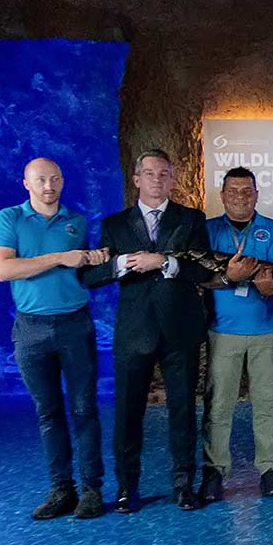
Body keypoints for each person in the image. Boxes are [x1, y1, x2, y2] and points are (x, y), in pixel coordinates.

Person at [79, 149, 212, 514]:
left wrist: (165, 262)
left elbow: (203, 271)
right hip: (133, 332)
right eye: (149, 173)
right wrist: (121, 263)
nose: (157, 180)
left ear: (173, 179)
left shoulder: (191, 219)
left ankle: (184, 484)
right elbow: (90, 276)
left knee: (183, 410)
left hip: (179, 330)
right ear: (136, 179)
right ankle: (126, 487)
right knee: (127, 413)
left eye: (164, 174)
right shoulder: (114, 225)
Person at [0, 157, 110, 520]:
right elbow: (3, 269)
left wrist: (94, 259)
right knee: (48, 412)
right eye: (40, 179)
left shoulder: (77, 222)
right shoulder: (9, 219)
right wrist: (60, 257)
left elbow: (83, 269)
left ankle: (91, 488)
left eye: (55, 178)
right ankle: (61, 488)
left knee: (85, 409)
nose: (48, 186)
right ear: (26, 183)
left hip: (75, 325)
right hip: (31, 329)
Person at [198, 167, 273, 504]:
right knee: (218, 405)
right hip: (222, 330)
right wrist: (228, 278)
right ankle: (214, 469)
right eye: (233, 191)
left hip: (266, 329)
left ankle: (268, 468)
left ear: (257, 194)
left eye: (247, 191)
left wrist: (269, 288)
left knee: (267, 404)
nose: (240, 196)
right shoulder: (208, 230)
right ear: (222, 195)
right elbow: (198, 279)